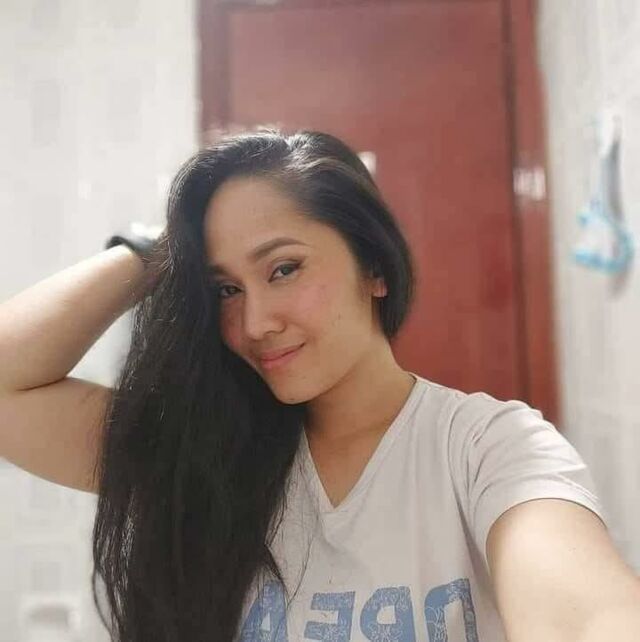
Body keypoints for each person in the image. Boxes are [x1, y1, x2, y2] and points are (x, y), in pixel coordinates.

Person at [1, 127, 639, 642]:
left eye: (283, 269)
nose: (255, 323)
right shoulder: (202, 452)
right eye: (225, 289)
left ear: (374, 268)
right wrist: (159, 250)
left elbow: (585, 617)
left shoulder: (485, 449)